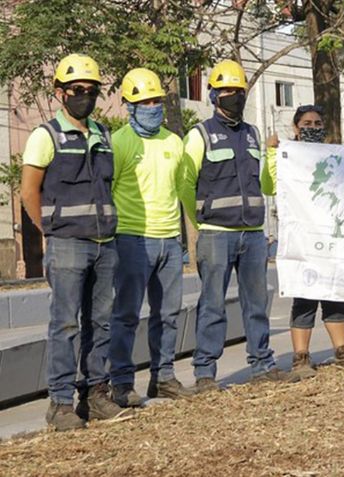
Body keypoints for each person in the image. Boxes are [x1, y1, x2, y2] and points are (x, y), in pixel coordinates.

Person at [20, 54, 125, 430]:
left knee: (101, 323)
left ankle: (96, 394)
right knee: (65, 325)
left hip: (104, 244)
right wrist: (49, 230)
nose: (85, 96)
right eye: (77, 89)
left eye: (92, 90)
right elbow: (29, 190)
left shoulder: (103, 133)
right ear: (60, 93)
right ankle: (61, 403)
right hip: (67, 244)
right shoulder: (45, 136)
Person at [180, 59, 288, 392]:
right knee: (212, 305)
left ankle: (262, 363)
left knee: (256, 303)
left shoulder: (254, 134)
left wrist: (271, 155)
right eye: (226, 90)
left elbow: (268, 187)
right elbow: (185, 185)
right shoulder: (199, 135)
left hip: (253, 235)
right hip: (215, 235)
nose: (233, 96)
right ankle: (205, 373)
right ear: (213, 95)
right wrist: (199, 225)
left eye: (238, 91)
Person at [108, 68, 193, 407]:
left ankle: (164, 376)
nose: (152, 106)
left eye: (156, 99)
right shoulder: (119, 142)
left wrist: (190, 236)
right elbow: (109, 190)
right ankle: (122, 382)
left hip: (170, 241)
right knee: (126, 314)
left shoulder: (174, 142)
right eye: (144, 101)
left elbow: (183, 189)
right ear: (128, 104)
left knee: (169, 314)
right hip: (131, 239)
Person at [261, 104, 344, 381]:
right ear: (296, 128)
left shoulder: (333, 155)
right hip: (302, 238)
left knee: (334, 292)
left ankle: (342, 350)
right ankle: (301, 357)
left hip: (330, 236)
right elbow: (269, 186)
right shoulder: (285, 154)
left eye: (318, 124)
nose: (313, 128)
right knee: (305, 295)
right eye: (307, 123)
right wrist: (271, 152)